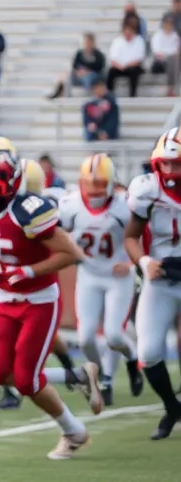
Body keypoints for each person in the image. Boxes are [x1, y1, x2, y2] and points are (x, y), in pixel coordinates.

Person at [0, 137, 102, 460]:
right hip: (5, 298)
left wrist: (30, 271)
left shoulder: (29, 211)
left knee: (27, 380)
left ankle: (73, 432)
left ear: (12, 181)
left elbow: (71, 253)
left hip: (39, 299)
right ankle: (78, 376)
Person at [58, 154, 141, 407]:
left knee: (115, 335)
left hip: (118, 278)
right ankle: (104, 378)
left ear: (110, 183)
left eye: (99, 182)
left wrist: (132, 263)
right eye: (89, 182)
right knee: (85, 338)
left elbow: (141, 235)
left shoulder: (124, 206)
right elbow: (57, 233)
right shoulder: (70, 204)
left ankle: (132, 359)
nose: (93, 188)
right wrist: (70, 249)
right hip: (89, 275)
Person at [123, 128, 181, 440]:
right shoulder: (147, 189)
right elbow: (131, 236)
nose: (171, 172)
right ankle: (172, 407)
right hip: (160, 279)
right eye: (166, 164)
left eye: (177, 164)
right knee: (150, 351)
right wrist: (144, 262)